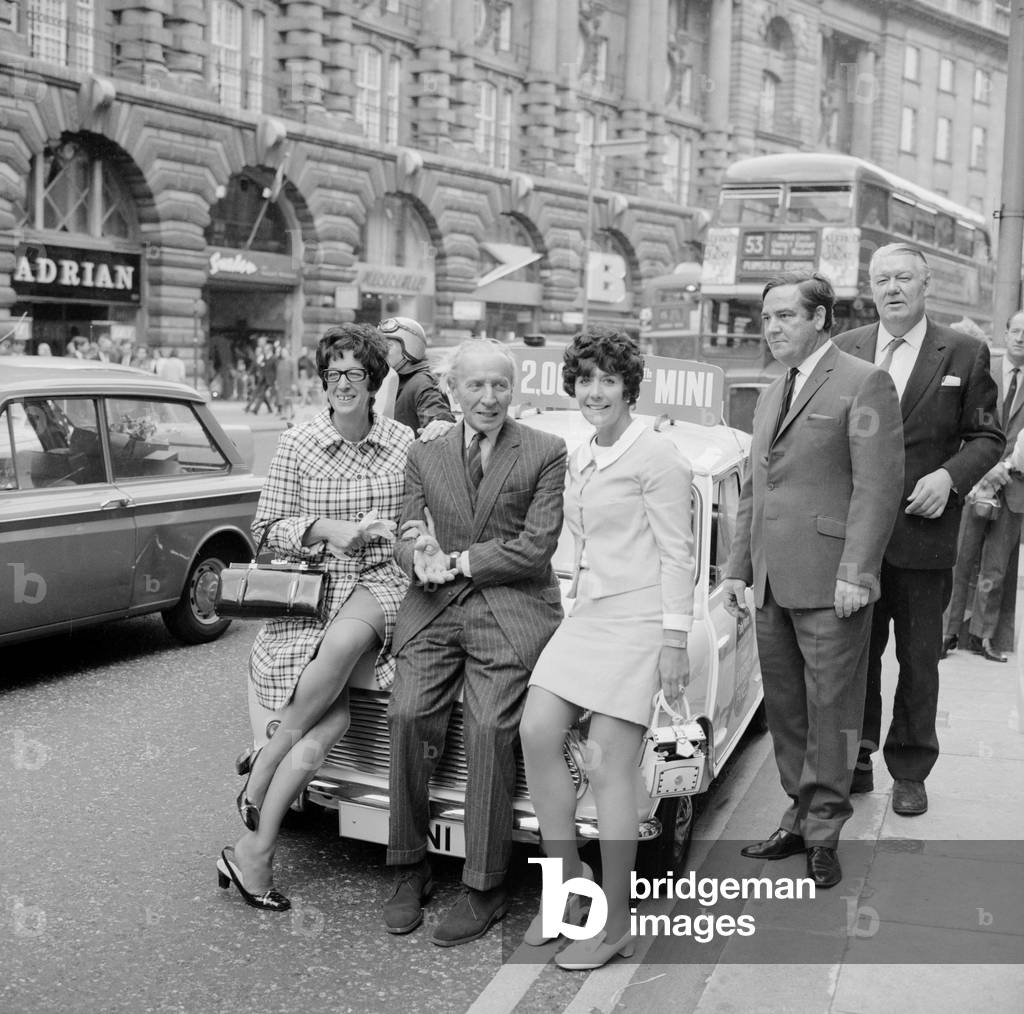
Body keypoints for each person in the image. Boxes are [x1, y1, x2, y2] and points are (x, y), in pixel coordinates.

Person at [218, 324, 414, 912]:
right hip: (315, 587)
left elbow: (420, 515)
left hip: (382, 581)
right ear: (323, 381)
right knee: (330, 725)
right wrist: (326, 529)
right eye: (334, 374)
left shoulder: (405, 441)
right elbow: (264, 532)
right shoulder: (299, 442)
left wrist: (390, 534)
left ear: (374, 381)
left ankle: (266, 760)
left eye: (356, 373)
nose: (343, 384)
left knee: (343, 645)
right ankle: (252, 853)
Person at [519, 328, 694, 969]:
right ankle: (565, 892)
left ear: (628, 388)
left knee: (607, 764)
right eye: (585, 380)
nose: (595, 392)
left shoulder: (659, 458)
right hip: (588, 616)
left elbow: (679, 554)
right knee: (537, 729)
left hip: (643, 621)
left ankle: (616, 920)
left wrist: (673, 641)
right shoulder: (581, 453)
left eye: (608, 380)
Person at [723, 273, 904, 888]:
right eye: (766, 318)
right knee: (787, 710)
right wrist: (735, 573)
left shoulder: (863, 382)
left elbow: (878, 489)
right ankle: (797, 816)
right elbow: (755, 488)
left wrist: (857, 572)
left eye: (785, 316)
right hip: (773, 582)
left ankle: (824, 831)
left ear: (821, 318)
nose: (772, 328)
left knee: (833, 709)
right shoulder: (774, 391)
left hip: (833, 585)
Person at [384, 339, 566, 946]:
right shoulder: (424, 450)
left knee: (490, 729)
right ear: (453, 390)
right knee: (407, 712)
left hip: (509, 606)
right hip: (434, 605)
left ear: (513, 391)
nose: (489, 398)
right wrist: (419, 552)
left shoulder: (545, 450)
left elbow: (537, 547)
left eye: (500, 386)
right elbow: (407, 529)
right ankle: (409, 867)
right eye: (476, 387)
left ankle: (485, 886)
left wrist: (457, 560)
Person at [834, 244, 1003, 815]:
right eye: (881, 279)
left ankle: (909, 768)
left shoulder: (964, 352)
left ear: (926, 283)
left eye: (903, 277)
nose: (892, 288)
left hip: (924, 539)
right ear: (870, 287)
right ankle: (856, 755)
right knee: (855, 653)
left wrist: (949, 479)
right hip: (856, 537)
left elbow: (988, 438)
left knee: (918, 658)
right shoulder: (845, 349)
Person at [943, 308, 1024, 663]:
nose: (1022, 338)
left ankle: (983, 636)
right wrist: (983, 469)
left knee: (996, 567)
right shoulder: (983, 370)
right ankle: (946, 632)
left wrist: (1005, 466)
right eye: (1017, 330)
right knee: (959, 558)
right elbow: (961, 423)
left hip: (1014, 483)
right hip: (974, 481)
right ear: (1005, 334)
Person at [378, 317, 455, 435]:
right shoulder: (392, 380)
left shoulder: (422, 382)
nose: (381, 352)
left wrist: (439, 423)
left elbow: (438, 420)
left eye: (388, 346)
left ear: (410, 347)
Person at [275, 344, 298, 422]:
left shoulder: (292, 361)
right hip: (281, 384)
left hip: (289, 383)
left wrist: (294, 384)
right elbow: (277, 373)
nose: (283, 353)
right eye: (282, 352)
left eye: (284, 352)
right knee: (282, 399)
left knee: (288, 399)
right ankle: (286, 414)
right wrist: (277, 383)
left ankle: (290, 413)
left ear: (288, 352)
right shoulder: (280, 362)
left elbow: (294, 373)